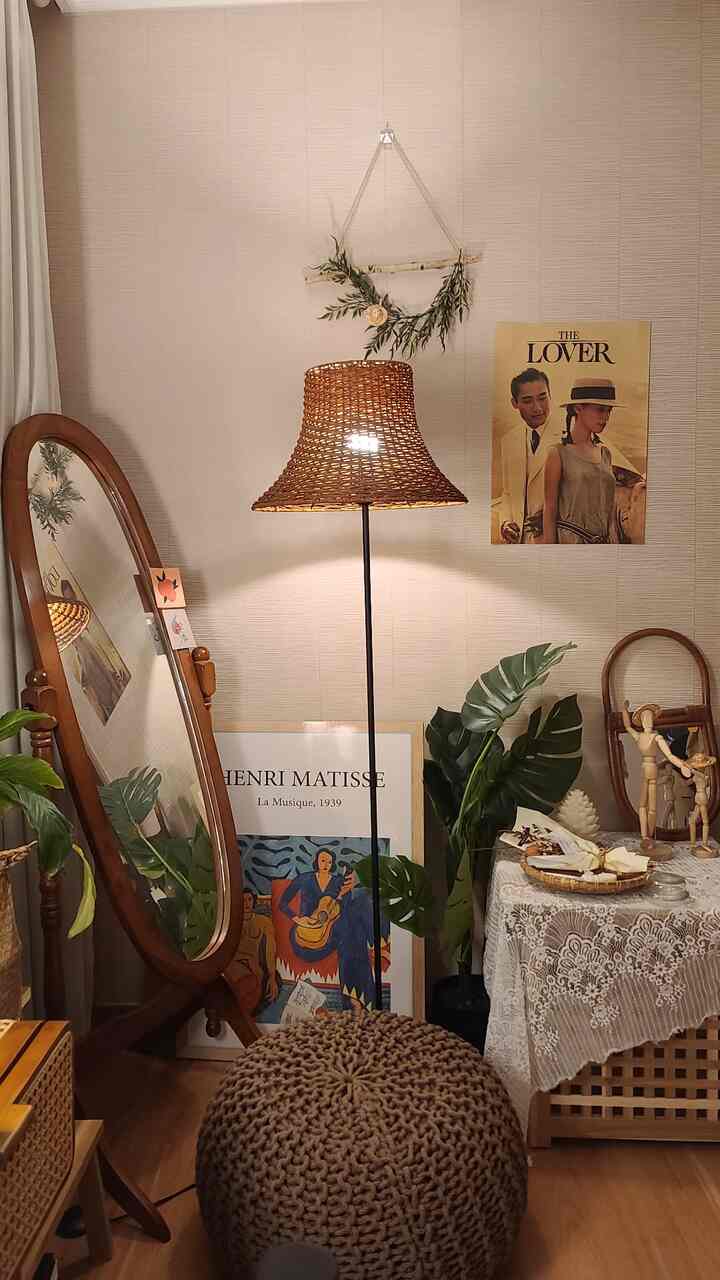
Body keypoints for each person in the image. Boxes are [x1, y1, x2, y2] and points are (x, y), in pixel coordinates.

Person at [542, 378, 623, 544]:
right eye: (600, 410)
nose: (606, 417)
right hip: (569, 543)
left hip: (604, 545)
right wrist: (548, 552)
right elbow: (549, 509)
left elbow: (610, 508)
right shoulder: (558, 453)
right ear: (578, 408)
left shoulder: (605, 454)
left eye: (609, 411)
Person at [497, 368, 560, 544]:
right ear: (514, 403)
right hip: (519, 543)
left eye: (542, 398)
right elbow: (507, 493)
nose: (537, 408)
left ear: (550, 395)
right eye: (527, 401)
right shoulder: (508, 440)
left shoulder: (569, 435)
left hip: (555, 540)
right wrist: (505, 522)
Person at [224, 890, 279, 1014]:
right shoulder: (232, 921)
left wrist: (272, 976)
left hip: (254, 964)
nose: (246, 903)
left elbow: (270, 948)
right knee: (244, 985)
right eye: (243, 900)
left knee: (259, 985)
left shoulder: (263, 921)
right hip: (234, 963)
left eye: (249, 899)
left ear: (254, 901)